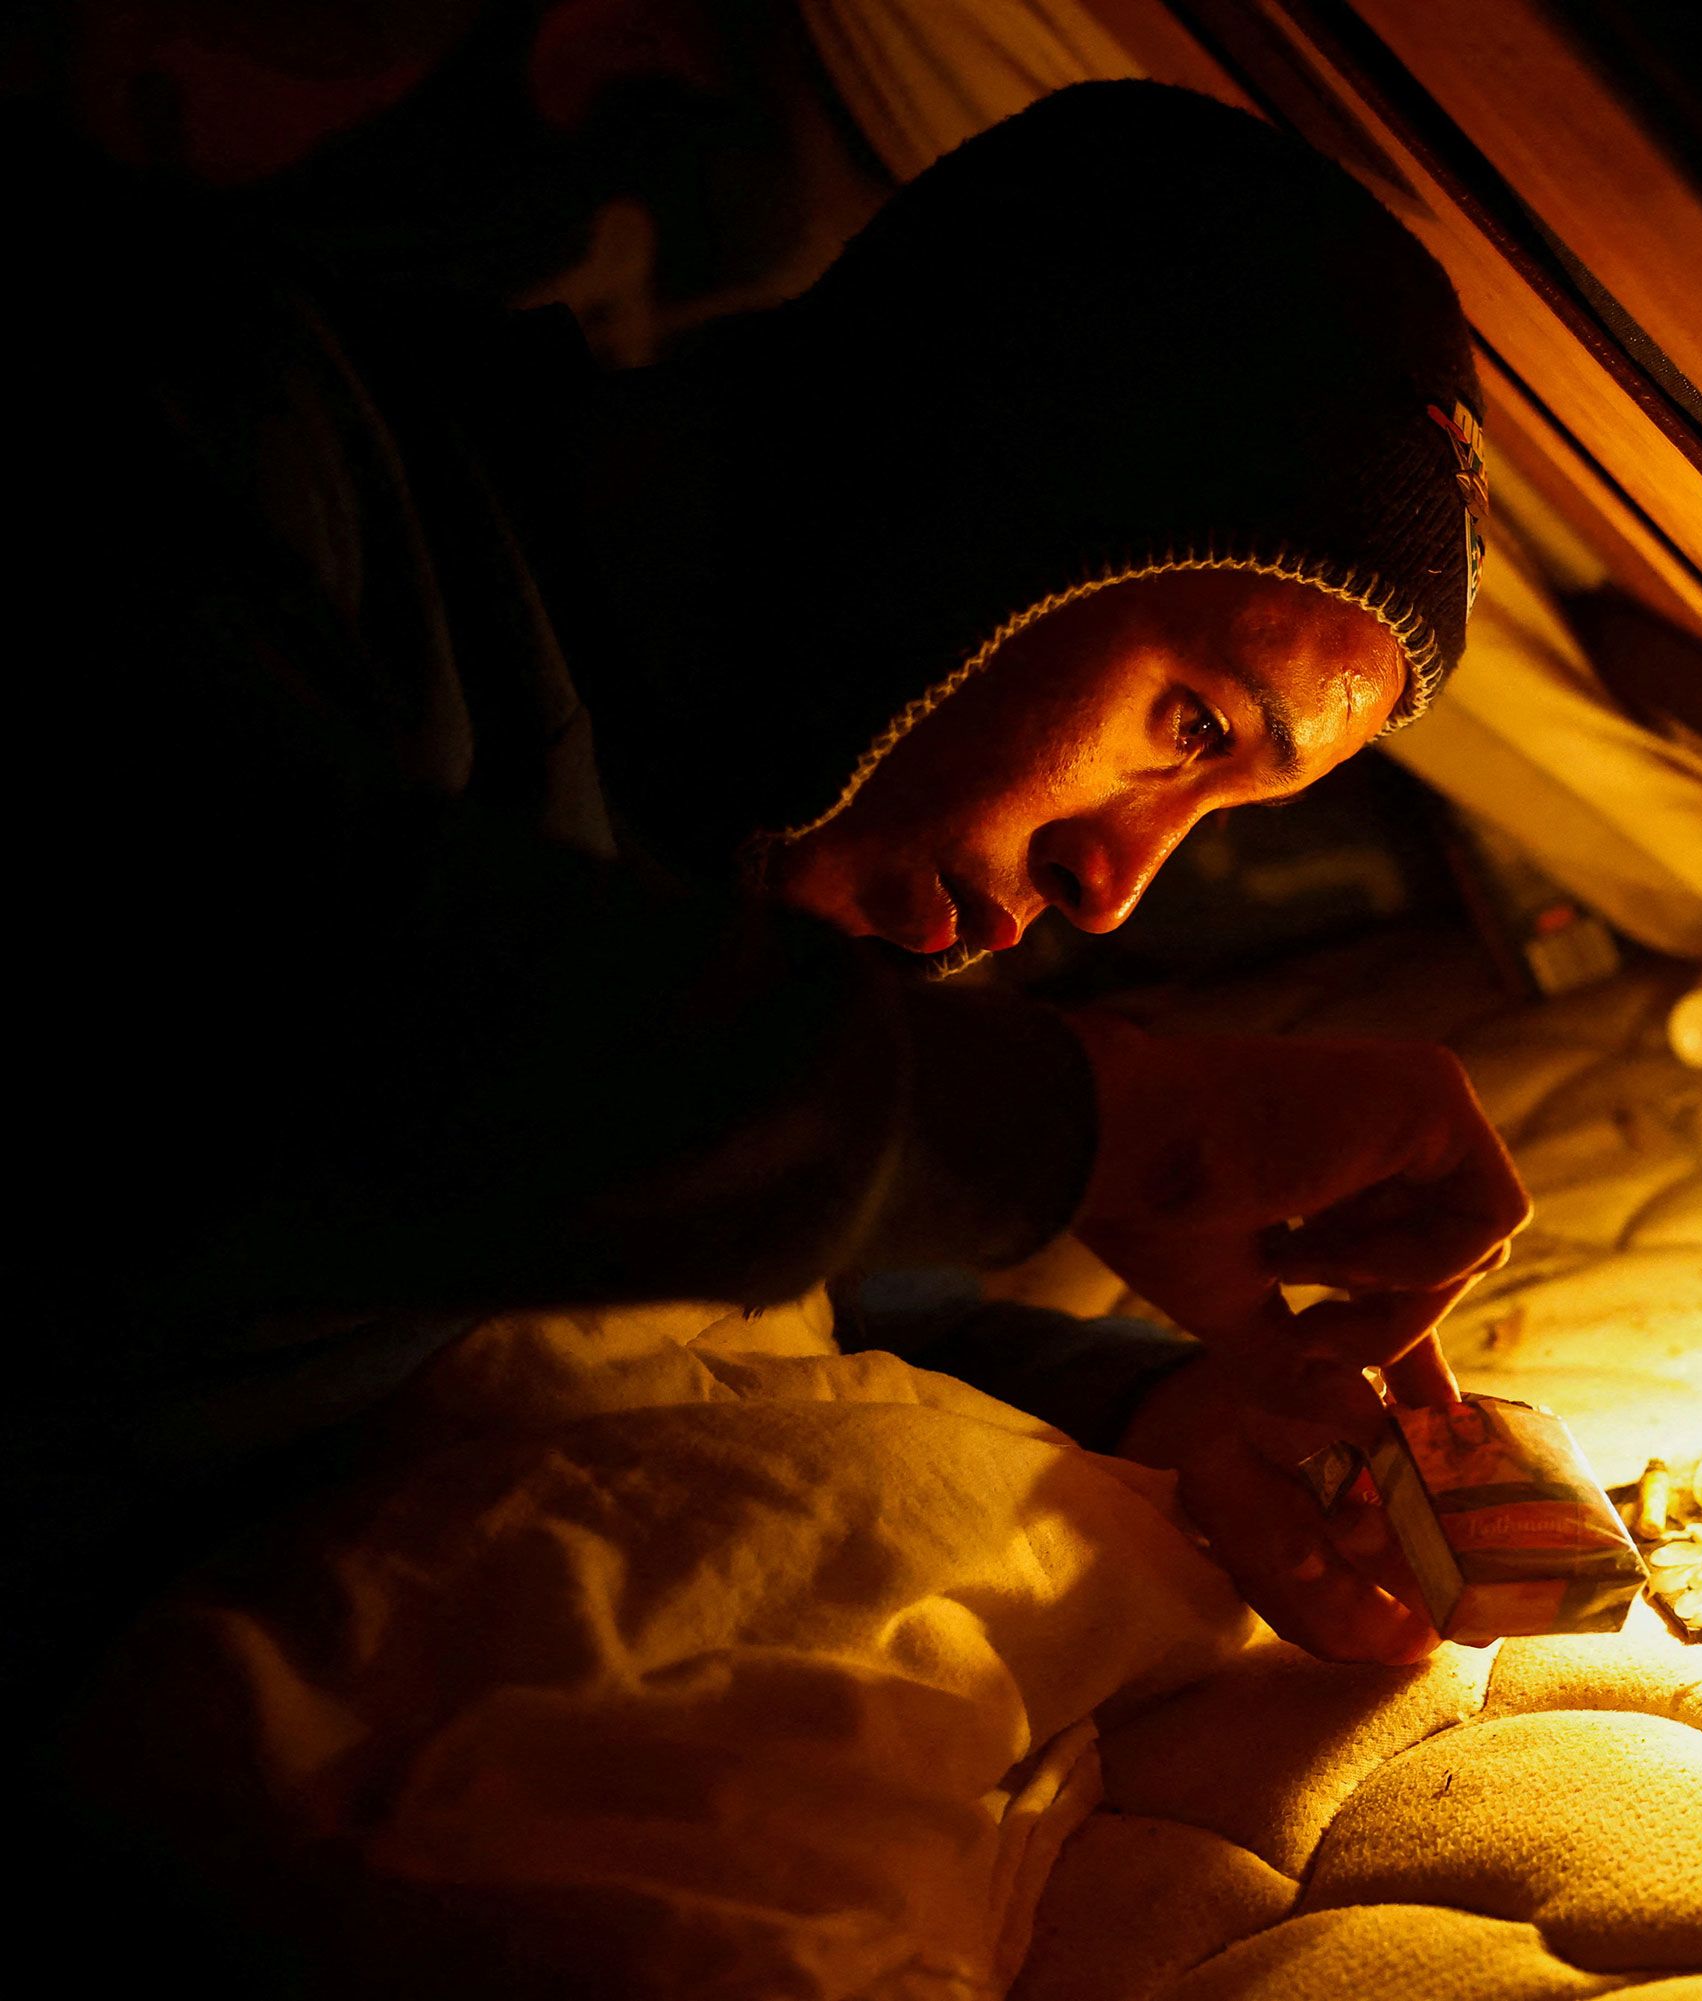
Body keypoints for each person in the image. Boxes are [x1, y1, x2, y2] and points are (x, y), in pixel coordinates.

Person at [10, 77, 1529, 1708]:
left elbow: (770, 1247)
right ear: (985, 486)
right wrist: (1130, 1125)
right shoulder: (198, 433)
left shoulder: (725, 842)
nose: (1112, 887)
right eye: (1193, 727)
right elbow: (309, 1021)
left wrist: (1170, 1411)